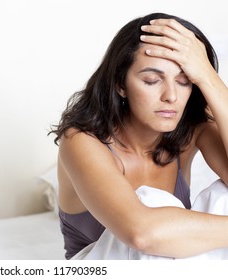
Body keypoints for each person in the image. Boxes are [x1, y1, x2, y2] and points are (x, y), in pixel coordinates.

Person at [49, 12, 228, 259]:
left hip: (175, 265)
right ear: (120, 84)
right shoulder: (80, 140)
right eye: (152, 80)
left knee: (224, 198)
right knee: (153, 203)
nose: (171, 96)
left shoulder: (193, 129)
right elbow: (141, 233)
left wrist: (208, 77)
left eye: (184, 81)